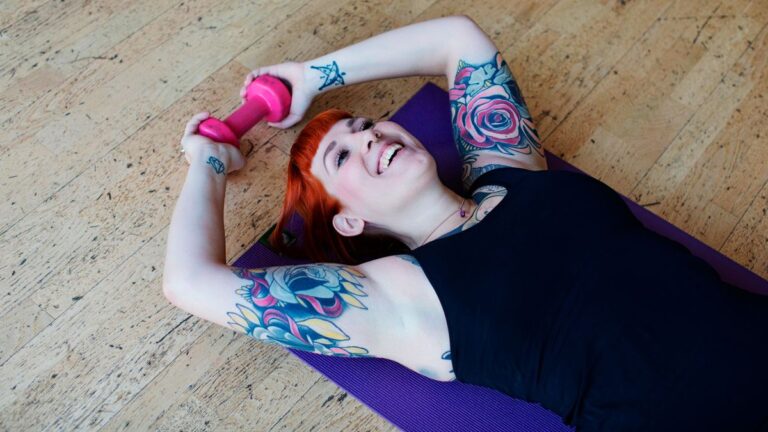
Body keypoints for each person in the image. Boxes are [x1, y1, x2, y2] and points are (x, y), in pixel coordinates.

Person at [163, 15, 768, 431]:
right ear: (347, 223)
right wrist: (211, 161)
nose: (372, 135)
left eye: (366, 125)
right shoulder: (398, 296)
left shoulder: (509, 167)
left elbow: (459, 39)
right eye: (342, 156)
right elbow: (190, 282)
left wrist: (310, 77)